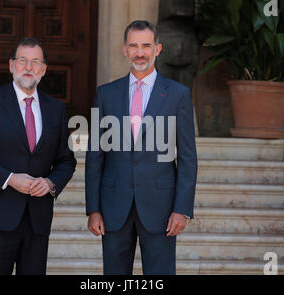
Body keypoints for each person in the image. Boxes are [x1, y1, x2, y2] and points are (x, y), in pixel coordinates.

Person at [85, 20, 198, 275]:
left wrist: (182, 209)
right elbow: (95, 156)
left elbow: (188, 158)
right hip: (114, 206)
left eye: (146, 45)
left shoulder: (178, 94)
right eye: (133, 46)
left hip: (161, 207)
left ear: (158, 49)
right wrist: (93, 209)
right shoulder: (106, 94)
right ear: (125, 49)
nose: (139, 52)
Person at [0, 37, 76, 275]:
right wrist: (10, 178)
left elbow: (66, 160)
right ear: (11, 65)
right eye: (22, 60)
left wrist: (51, 182)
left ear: (43, 70)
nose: (28, 67)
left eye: (35, 62)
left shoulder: (56, 108)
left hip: (38, 219)